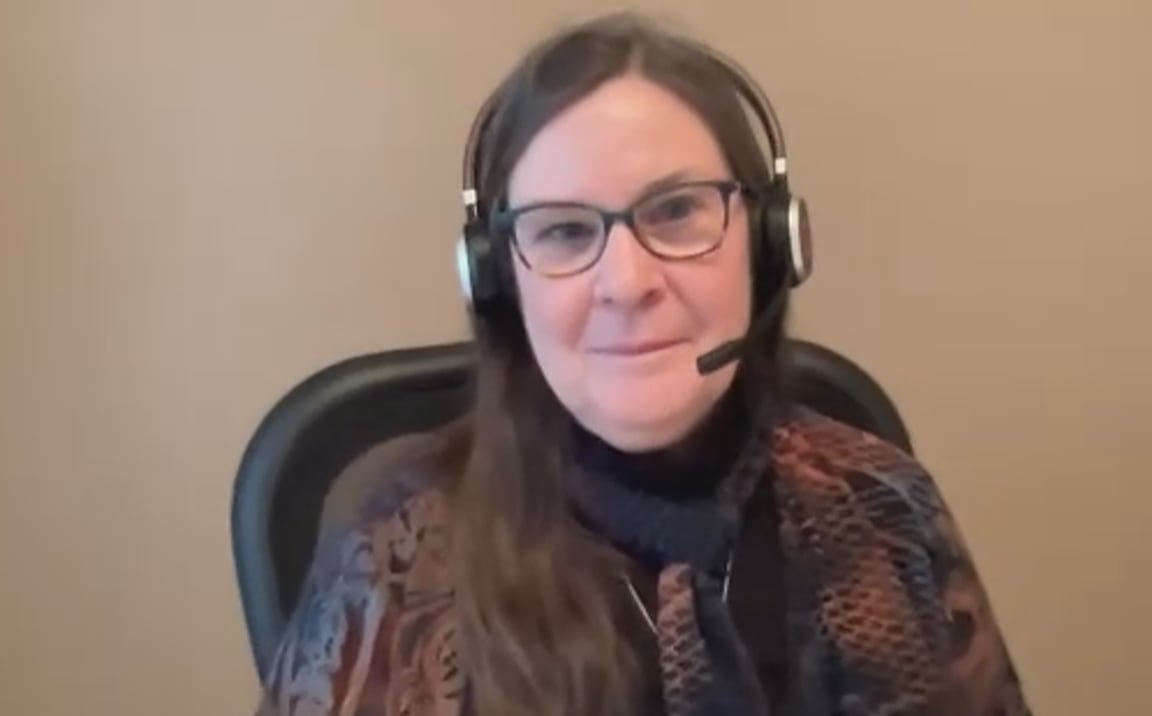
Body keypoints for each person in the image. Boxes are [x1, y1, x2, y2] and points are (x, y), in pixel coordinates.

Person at [255, 11, 1033, 716]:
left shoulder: (884, 506)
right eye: (564, 231)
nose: (627, 283)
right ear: (498, 279)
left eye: (676, 211)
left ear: (768, 244)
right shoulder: (395, 568)